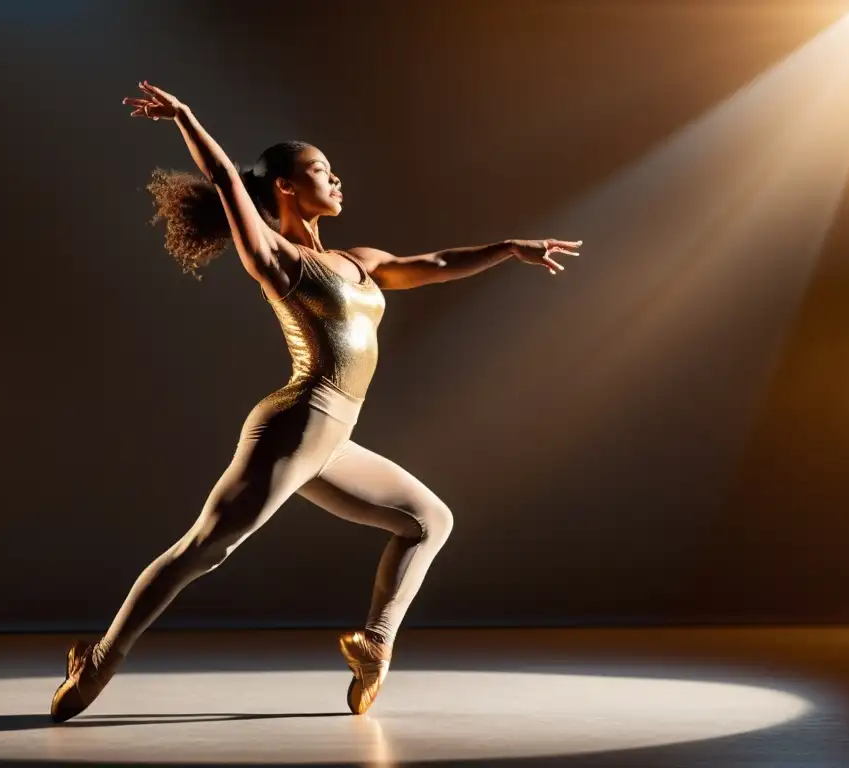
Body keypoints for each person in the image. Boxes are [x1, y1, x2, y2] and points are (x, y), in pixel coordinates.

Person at [50, 80, 581, 723]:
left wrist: (507, 249)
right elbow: (223, 175)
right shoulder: (276, 256)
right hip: (295, 424)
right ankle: (100, 660)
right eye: (320, 171)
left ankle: (374, 646)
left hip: (333, 439)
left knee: (429, 521)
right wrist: (187, 116)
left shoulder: (359, 262)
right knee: (206, 549)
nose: (335, 179)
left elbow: (437, 261)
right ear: (284, 187)